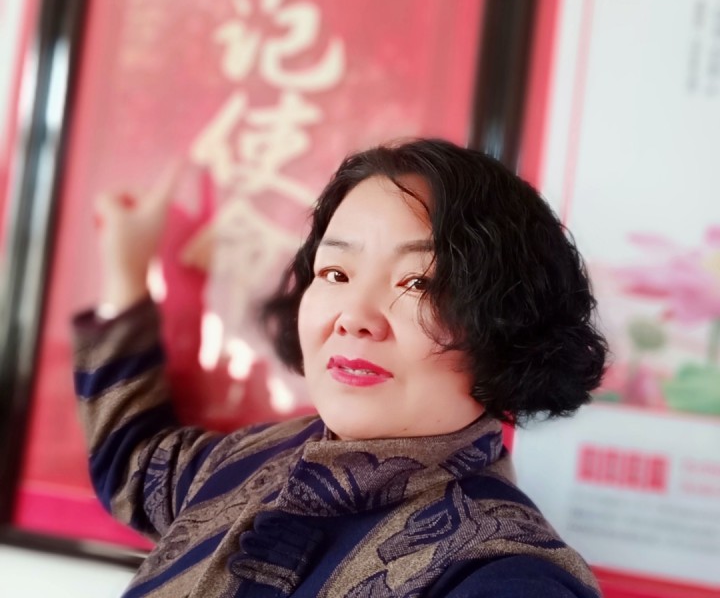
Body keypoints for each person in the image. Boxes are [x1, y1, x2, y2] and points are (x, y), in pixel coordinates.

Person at [73, 138, 607, 598]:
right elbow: (134, 464)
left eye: (418, 282)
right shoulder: (248, 461)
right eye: (335, 272)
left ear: (509, 322)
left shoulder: (505, 576)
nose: (354, 317)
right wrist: (126, 273)